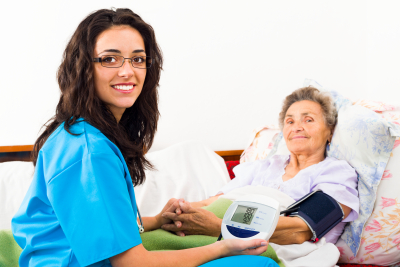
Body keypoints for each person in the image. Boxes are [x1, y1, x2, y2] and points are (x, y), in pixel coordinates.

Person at [11, 8, 278, 267]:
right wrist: (222, 248)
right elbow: (133, 263)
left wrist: (158, 220)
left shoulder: (78, 134)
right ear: (83, 68)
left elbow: (106, 223)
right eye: (110, 59)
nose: (128, 71)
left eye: (138, 59)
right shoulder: (90, 152)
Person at [161, 87, 359, 245]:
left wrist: (219, 227)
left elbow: (301, 230)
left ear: (330, 132)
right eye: (290, 121)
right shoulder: (264, 166)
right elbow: (213, 203)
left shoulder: (337, 173)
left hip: (276, 248)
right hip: (220, 232)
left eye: (308, 119)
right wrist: (178, 213)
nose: (297, 127)